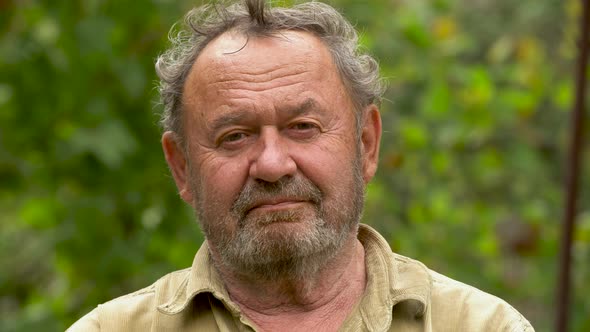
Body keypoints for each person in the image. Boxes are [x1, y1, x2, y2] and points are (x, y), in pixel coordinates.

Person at [69, 0, 534, 331]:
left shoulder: (481, 326)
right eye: (235, 136)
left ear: (366, 144)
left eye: (303, 126)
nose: (272, 165)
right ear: (182, 168)